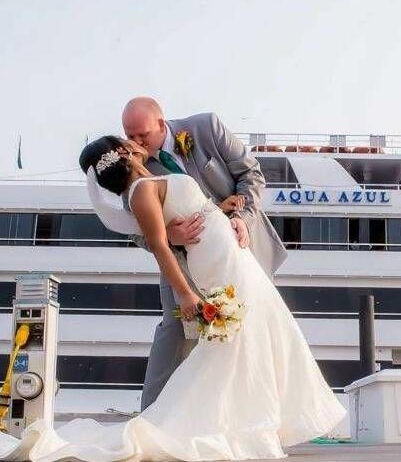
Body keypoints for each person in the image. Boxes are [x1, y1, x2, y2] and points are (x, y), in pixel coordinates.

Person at [0, 135, 346, 461]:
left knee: (263, 328)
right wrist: (185, 295)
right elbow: (160, 247)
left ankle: (256, 421)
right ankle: (242, 425)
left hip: (231, 254)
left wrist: (219, 209)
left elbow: (188, 211)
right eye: (127, 139)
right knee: (242, 339)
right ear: (125, 153)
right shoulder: (140, 192)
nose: (134, 140)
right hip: (217, 263)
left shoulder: (150, 183)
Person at [121, 97, 288, 411]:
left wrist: (243, 219)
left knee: (255, 327)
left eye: (143, 134)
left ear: (161, 124)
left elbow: (251, 174)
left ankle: (256, 410)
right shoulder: (131, 166)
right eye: (130, 135)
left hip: (240, 246)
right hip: (183, 260)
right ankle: (151, 417)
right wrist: (168, 236)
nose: (136, 142)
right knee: (174, 331)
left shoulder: (207, 127)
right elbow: (133, 228)